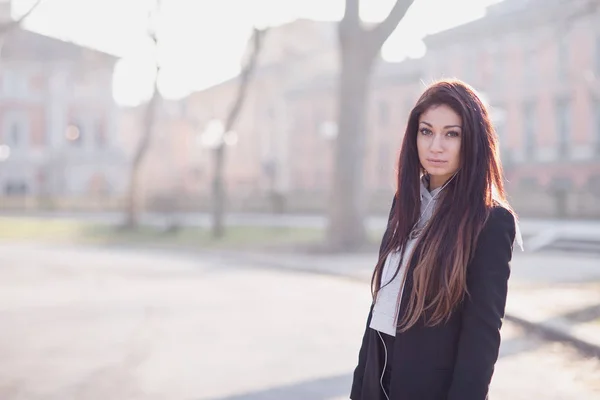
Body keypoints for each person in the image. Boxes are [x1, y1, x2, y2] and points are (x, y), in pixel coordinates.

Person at [350, 79, 523, 400]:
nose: (436, 146)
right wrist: (360, 387)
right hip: (378, 373)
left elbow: (482, 333)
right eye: (426, 131)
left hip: (431, 386)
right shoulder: (404, 203)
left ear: (473, 140)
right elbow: (381, 306)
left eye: (451, 134)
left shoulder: (490, 220)